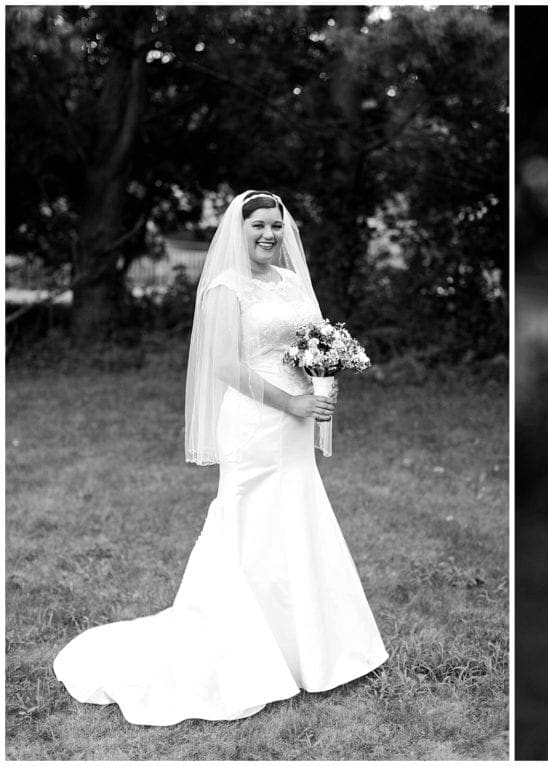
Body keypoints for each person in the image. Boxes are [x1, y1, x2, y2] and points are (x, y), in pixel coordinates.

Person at [53, 190, 388, 725]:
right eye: (258, 225)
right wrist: (294, 401)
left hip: (297, 421)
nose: (268, 235)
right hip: (256, 420)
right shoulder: (224, 288)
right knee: (252, 519)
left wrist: (322, 380)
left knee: (295, 514)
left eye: (276, 226)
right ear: (239, 229)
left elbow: (314, 342)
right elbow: (227, 366)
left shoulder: (291, 281)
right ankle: (245, 648)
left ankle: (309, 649)